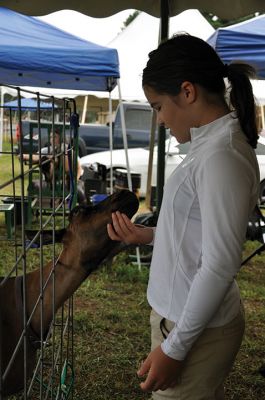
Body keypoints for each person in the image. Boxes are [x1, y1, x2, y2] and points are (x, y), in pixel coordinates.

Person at [107, 34, 260, 399]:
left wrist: (175, 347)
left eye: (158, 106)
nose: (159, 119)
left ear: (188, 92)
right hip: (187, 320)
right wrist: (147, 235)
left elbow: (220, 264)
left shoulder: (221, 156)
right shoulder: (211, 144)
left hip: (195, 330)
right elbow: (200, 226)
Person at [21, 129, 87, 205]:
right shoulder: (46, 150)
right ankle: (26, 208)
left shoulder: (67, 150)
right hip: (51, 180)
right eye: (51, 137)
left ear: (61, 138)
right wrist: (25, 156)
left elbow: (79, 168)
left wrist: (74, 181)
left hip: (68, 180)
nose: (52, 139)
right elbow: (35, 157)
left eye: (55, 137)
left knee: (79, 191)